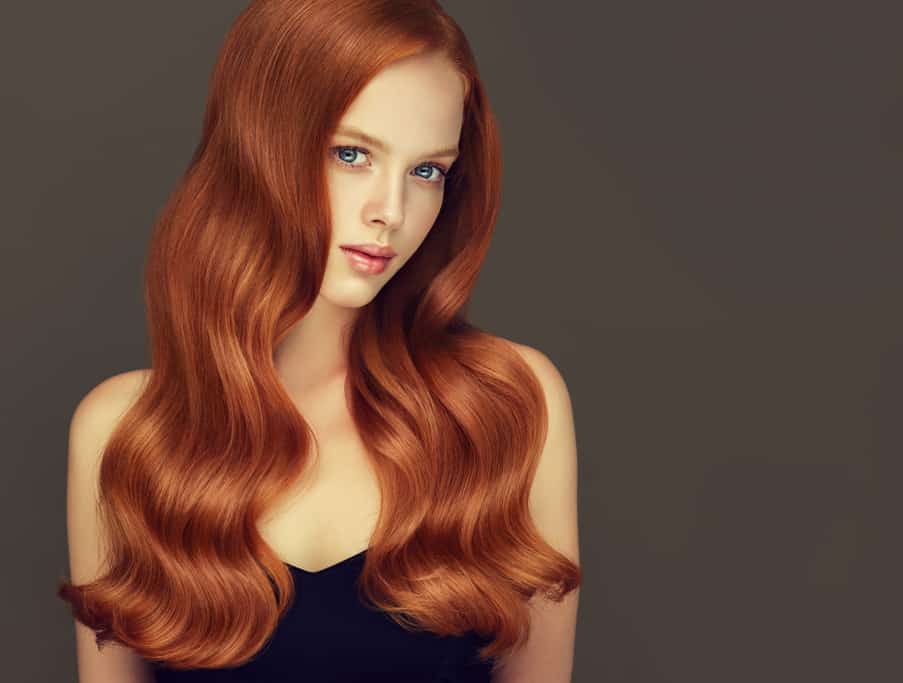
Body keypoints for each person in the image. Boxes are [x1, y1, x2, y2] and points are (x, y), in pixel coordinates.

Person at [57, 1, 582, 681]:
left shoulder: (509, 407)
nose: (390, 210)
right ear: (257, 146)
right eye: (352, 153)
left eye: (428, 171)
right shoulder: (125, 435)